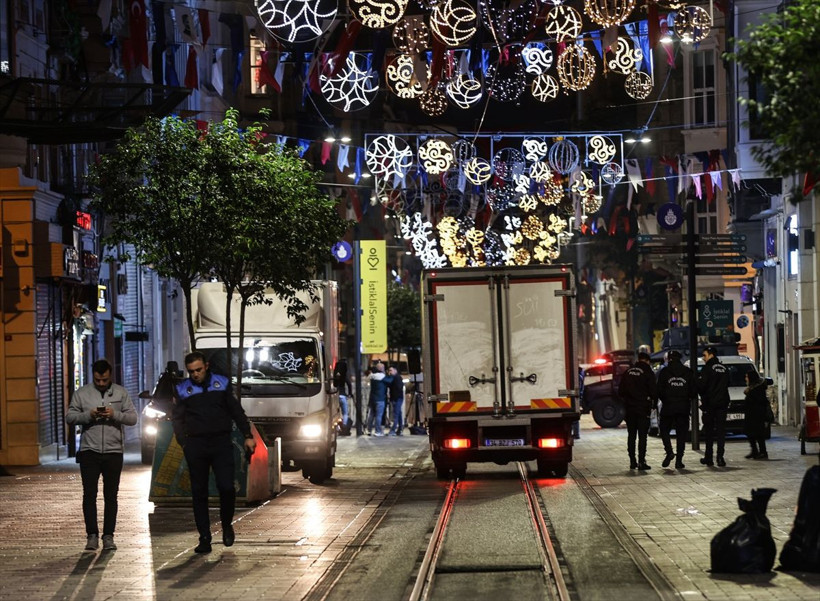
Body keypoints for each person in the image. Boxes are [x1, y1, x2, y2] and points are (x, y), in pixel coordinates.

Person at [172, 351, 257, 554]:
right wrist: (184, 442)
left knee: (227, 487)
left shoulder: (221, 383)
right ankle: (204, 538)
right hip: (196, 445)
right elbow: (177, 418)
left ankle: (226, 524)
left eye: (199, 370)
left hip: (220, 442)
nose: (195, 374)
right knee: (199, 493)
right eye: (191, 371)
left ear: (206, 366)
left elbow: (236, 410)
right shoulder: (183, 389)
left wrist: (247, 434)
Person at [66, 359, 138, 552]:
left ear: (110, 376)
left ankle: (108, 536)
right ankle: (91, 535)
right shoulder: (82, 394)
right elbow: (70, 417)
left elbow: (132, 418)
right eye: (97, 380)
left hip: (114, 451)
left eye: (104, 380)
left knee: (111, 496)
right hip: (89, 451)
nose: (101, 383)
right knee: (89, 495)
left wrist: (114, 414)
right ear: (93, 376)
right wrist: (89, 415)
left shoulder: (121, 393)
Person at [656, 350, 695, 470]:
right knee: (681, 434)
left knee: (664, 430)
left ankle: (669, 452)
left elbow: (659, 390)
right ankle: (679, 461)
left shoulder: (664, 372)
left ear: (669, 359)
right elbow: (693, 391)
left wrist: (666, 399)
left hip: (668, 406)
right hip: (683, 407)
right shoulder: (687, 372)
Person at [618, 351, 657, 470]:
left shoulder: (628, 372)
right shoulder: (648, 372)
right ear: (647, 361)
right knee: (642, 436)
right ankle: (641, 461)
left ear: (638, 359)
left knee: (631, 436)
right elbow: (653, 391)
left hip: (630, 409)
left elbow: (620, 391)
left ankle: (632, 461)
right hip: (643, 409)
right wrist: (653, 404)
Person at [697, 346, 730, 467]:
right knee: (721, 432)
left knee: (709, 432)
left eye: (704, 355)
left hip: (710, 404)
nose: (703, 358)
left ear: (711, 355)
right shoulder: (724, 368)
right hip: (722, 403)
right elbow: (728, 383)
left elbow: (702, 386)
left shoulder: (707, 368)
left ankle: (709, 457)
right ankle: (720, 458)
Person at [743, 370, 770, 460]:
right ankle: (754, 450)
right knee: (750, 433)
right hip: (751, 415)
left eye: (747, 377)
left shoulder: (757, 389)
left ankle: (762, 452)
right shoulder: (752, 388)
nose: (745, 379)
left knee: (758, 434)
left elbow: (759, 402)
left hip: (757, 415)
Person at [367, 362, 389, 436]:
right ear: (382, 369)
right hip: (380, 398)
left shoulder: (372, 376)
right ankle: (378, 431)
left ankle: (369, 430)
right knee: (379, 416)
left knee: (371, 415)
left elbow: (367, 378)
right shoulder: (383, 377)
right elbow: (389, 382)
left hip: (372, 398)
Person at [333, 361, 352, 435]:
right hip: (343, 395)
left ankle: (337, 428)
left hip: (335, 396)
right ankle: (344, 427)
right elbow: (349, 384)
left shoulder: (335, 376)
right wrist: (349, 394)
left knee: (336, 414)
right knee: (345, 413)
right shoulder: (344, 376)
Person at [387, 366, 405, 436]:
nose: (390, 372)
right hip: (396, 398)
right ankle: (400, 429)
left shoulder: (397, 378)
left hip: (397, 398)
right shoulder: (394, 378)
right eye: (389, 371)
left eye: (391, 370)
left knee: (396, 414)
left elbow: (399, 387)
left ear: (395, 370)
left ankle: (393, 430)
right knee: (398, 413)